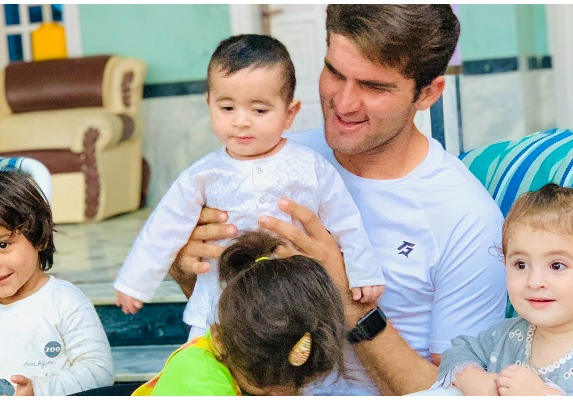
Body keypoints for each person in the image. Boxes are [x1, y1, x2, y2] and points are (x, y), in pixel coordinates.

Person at [170, 5, 507, 395]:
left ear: (428, 92)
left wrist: (353, 307)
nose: (344, 103)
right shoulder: (270, 159)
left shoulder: (467, 218)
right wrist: (188, 262)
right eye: (335, 72)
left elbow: (454, 392)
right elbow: (221, 305)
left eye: (374, 87)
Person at [113, 34, 385, 339]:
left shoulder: (310, 167)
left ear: (289, 113)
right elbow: (164, 227)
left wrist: (364, 272)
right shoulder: (203, 174)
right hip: (219, 302)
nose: (241, 121)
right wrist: (134, 283)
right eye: (227, 108)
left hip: (295, 298)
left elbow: (345, 222)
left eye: (259, 110)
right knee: (205, 363)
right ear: (209, 104)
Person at [432, 184, 573, 395]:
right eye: (521, 265)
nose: (534, 281)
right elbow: (458, 350)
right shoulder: (506, 335)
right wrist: (472, 378)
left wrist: (542, 395)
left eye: (556, 266)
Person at [0, 170, 114, 396]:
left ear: (39, 237)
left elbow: (98, 370)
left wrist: (39, 390)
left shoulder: (64, 301)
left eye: (2, 245)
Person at [131, 230, 346, 395]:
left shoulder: (250, 355)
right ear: (219, 339)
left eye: (302, 383)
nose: (284, 395)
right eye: (263, 387)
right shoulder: (200, 386)